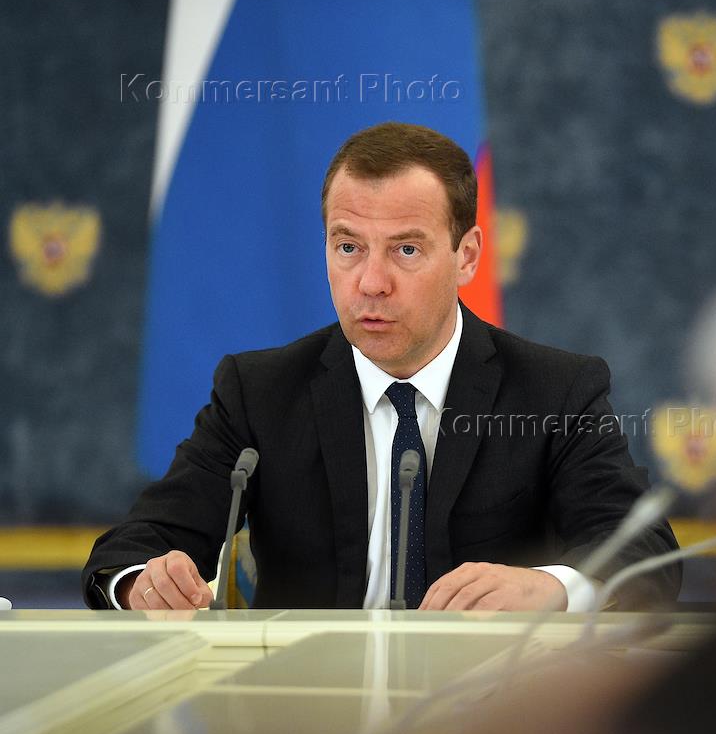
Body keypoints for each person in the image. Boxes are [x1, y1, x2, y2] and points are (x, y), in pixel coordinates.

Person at [83, 122, 679, 611]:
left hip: (491, 708)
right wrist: (142, 583)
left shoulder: (555, 392)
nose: (371, 282)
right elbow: (132, 549)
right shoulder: (259, 392)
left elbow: (645, 554)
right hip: (303, 709)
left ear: (467, 256)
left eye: (406, 249)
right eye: (348, 247)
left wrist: (550, 588)